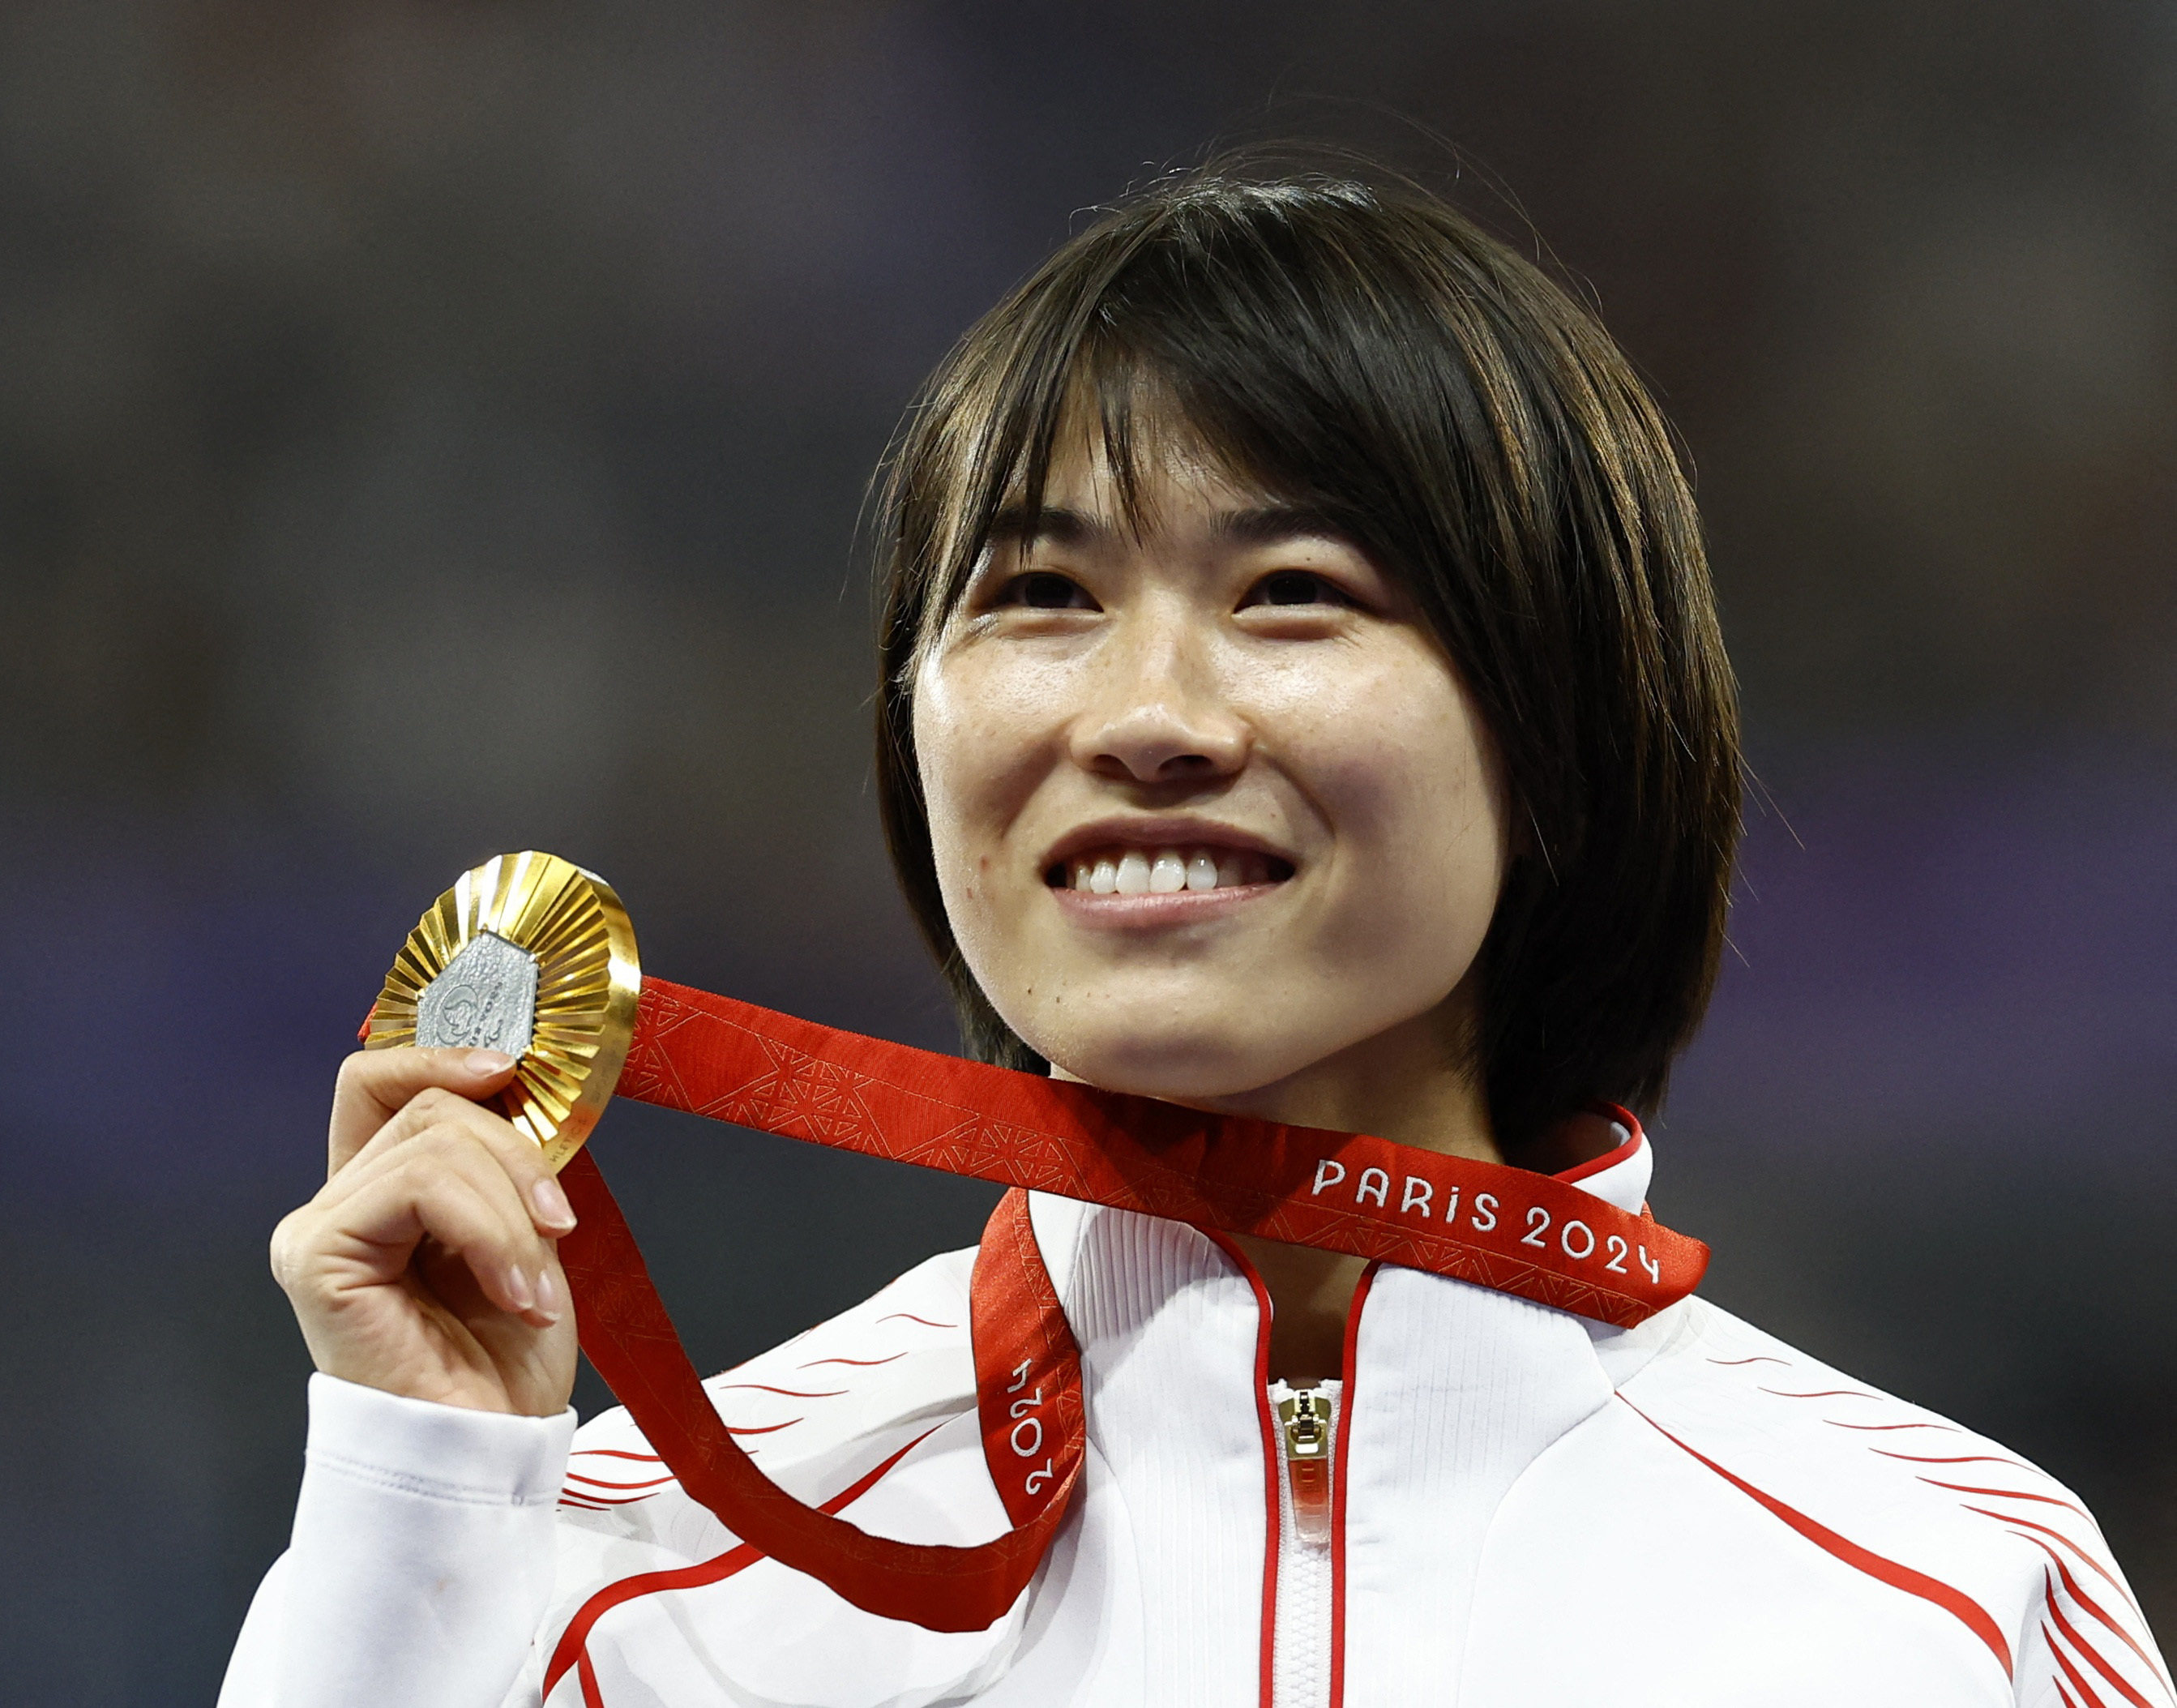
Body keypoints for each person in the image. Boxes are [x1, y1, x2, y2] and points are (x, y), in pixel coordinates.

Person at [220, 161, 2167, 1707]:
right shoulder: (634, 1584)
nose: (1140, 713)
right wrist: (417, 1496)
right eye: (1038, 596)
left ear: (1559, 719)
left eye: (1294, 591)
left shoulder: (1943, 1606)